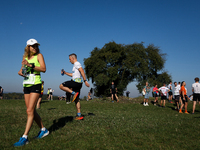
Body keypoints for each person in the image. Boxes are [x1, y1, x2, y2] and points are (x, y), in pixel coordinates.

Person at [14, 39, 49, 147]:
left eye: (36, 46)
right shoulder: (24, 57)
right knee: (31, 110)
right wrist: (21, 72)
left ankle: (24, 137)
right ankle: (43, 130)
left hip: (36, 83)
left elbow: (43, 69)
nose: (35, 48)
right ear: (28, 47)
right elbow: (23, 71)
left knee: (29, 110)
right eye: (32, 46)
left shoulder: (39, 55)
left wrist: (31, 65)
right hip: (27, 84)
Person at [59, 53, 90, 120]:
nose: (69, 61)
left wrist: (85, 81)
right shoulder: (75, 66)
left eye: (70, 59)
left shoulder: (77, 63)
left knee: (61, 86)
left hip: (75, 82)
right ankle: (79, 115)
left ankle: (73, 93)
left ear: (73, 58)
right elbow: (74, 75)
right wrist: (65, 73)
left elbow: (82, 70)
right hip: (78, 83)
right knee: (77, 100)